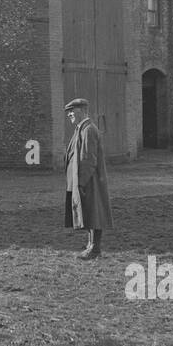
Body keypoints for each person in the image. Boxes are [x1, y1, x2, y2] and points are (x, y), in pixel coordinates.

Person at [64, 97, 114, 259]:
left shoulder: (88, 130)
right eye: (68, 112)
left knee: (94, 212)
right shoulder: (81, 129)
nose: (69, 114)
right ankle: (90, 245)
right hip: (83, 180)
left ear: (81, 111)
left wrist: (82, 182)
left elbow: (88, 159)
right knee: (87, 211)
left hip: (90, 180)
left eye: (72, 111)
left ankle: (95, 248)